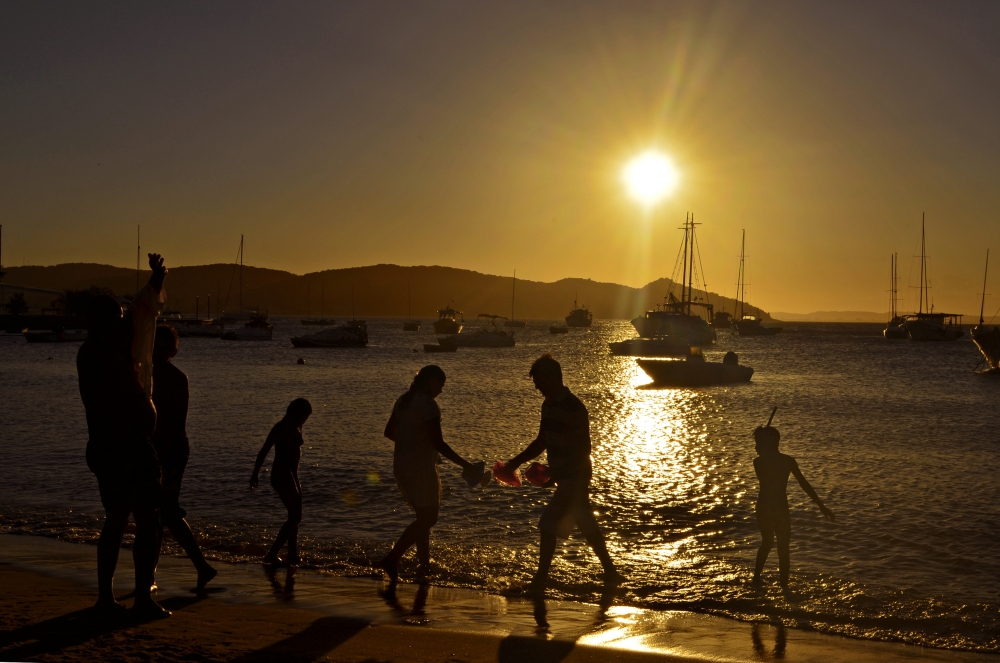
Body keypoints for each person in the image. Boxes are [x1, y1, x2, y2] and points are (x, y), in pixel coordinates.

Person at [76, 253, 169, 618]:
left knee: (116, 520)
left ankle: (106, 598)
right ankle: (141, 598)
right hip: (125, 447)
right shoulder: (103, 353)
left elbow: (139, 317)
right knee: (147, 520)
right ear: (104, 323)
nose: (122, 326)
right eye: (115, 320)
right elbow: (138, 321)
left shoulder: (92, 351)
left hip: (106, 447)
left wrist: (156, 282)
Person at [503, 354, 624, 594]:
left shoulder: (573, 407)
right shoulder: (548, 405)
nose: (537, 387)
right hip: (564, 476)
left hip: (575, 477)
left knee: (547, 525)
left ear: (553, 378)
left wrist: (560, 474)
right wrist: (515, 462)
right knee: (585, 520)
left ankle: (540, 581)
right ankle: (611, 572)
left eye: (539, 381)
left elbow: (583, 449)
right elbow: (542, 441)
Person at [378, 365, 478, 583]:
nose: (441, 390)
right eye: (439, 385)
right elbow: (438, 442)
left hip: (402, 465)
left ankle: (424, 566)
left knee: (422, 518)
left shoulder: (403, 400)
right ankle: (392, 558)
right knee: (429, 517)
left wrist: (410, 442)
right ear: (429, 382)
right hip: (421, 467)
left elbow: (389, 432)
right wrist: (466, 465)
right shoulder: (429, 406)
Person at [151, 325, 217, 590]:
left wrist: (160, 453)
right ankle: (153, 576)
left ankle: (199, 567)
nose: (159, 351)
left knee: (164, 511)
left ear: (173, 352)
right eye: (156, 345)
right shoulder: (143, 373)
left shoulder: (177, 378)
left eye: (165, 347)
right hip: (153, 448)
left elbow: (178, 422)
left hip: (173, 450)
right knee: (157, 513)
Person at [751, 424, 834, 587]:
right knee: (768, 543)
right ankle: (757, 580)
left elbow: (804, 484)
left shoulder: (780, 461)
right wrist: (762, 441)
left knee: (782, 546)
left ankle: (782, 585)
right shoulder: (760, 462)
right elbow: (769, 472)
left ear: (770, 442)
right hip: (767, 507)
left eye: (760, 443)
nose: (756, 447)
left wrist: (821, 505)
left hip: (776, 508)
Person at [250, 398, 312, 565]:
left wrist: (255, 474)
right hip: (284, 476)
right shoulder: (288, 428)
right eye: (305, 416)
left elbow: (263, 451)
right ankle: (272, 554)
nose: (306, 420)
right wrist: (255, 474)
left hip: (289, 476)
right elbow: (274, 455)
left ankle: (293, 554)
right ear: (297, 414)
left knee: (294, 516)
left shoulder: (282, 426)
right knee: (295, 517)